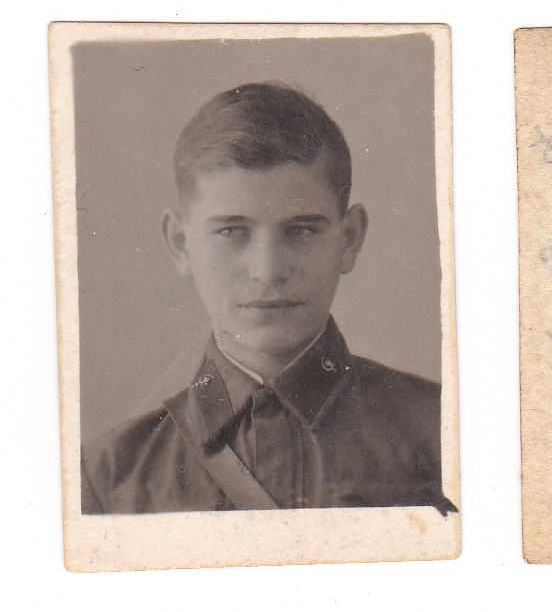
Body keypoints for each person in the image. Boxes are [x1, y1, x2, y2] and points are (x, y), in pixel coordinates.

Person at [81, 82, 455, 516]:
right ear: (181, 244)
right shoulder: (111, 475)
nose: (268, 270)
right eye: (231, 232)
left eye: (301, 230)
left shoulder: (445, 431)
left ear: (348, 239)